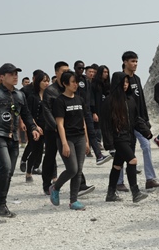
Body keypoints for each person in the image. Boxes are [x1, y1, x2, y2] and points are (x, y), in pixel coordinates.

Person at [0, 63, 41, 217]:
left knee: (9, 171)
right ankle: (0, 205)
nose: (15, 76)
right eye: (11, 74)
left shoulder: (20, 95)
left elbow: (26, 114)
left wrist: (33, 127)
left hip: (14, 138)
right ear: (1, 77)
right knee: (4, 167)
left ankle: (0, 204)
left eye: (16, 73)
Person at [102, 72, 150, 203]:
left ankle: (110, 194)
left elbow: (136, 119)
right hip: (118, 138)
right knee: (132, 160)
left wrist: (146, 131)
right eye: (123, 82)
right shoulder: (109, 101)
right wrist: (109, 144)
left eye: (127, 82)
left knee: (117, 165)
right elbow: (105, 124)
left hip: (129, 137)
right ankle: (136, 193)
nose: (125, 85)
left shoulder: (130, 100)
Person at [120, 51, 159, 190]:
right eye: (132, 61)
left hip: (138, 121)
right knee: (125, 150)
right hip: (125, 122)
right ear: (125, 62)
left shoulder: (137, 79)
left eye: (136, 61)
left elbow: (141, 101)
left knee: (146, 145)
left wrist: (146, 120)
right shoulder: (120, 78)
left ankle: (150, 179)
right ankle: (119, 182)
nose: (135, 64)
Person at [49, 71, 90, 210]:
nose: (75, 84)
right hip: (67, 139)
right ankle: (55, 187)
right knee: (72, 169)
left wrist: (87, 141)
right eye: (72, 82)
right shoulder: (60, 101)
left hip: (80, 138)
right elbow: (60, 124)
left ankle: (73, 201)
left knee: (78, 171)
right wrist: (64, 143)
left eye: (76, 82)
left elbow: (83, 121)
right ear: (65, 83)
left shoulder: (80, 99)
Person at [74, 60, 110, 165]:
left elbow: (91, 98)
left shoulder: (87, 82)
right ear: (75, 68)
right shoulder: (72, 79)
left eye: (82, 68)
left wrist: (93, 112)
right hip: (74, 111)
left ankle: (99, 155)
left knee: (92, 133)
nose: (81, 70)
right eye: (79, 68)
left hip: (87, 111)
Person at [22, 71, 49, 182]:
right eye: (44, 81)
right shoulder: (32, 96)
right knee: (35, 150)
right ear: (38, 82)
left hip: (47, 126)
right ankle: (28, 172)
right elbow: (28, 113)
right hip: (35, 127)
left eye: (48, 81)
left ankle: (52, 176)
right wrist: (35, 126)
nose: (46, 83)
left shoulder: (49, 95)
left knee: (47, 150)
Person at [90, 65, 112, 156]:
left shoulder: (108, 85)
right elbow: (92, 99)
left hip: (107, 110)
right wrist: (94, 112)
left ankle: (110, 146)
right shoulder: (94, 85)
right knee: (97, 128)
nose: (106, 74)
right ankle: (96, 145)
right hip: (97, 109)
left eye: (107, 72)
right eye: (104, 72)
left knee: (108, 128)